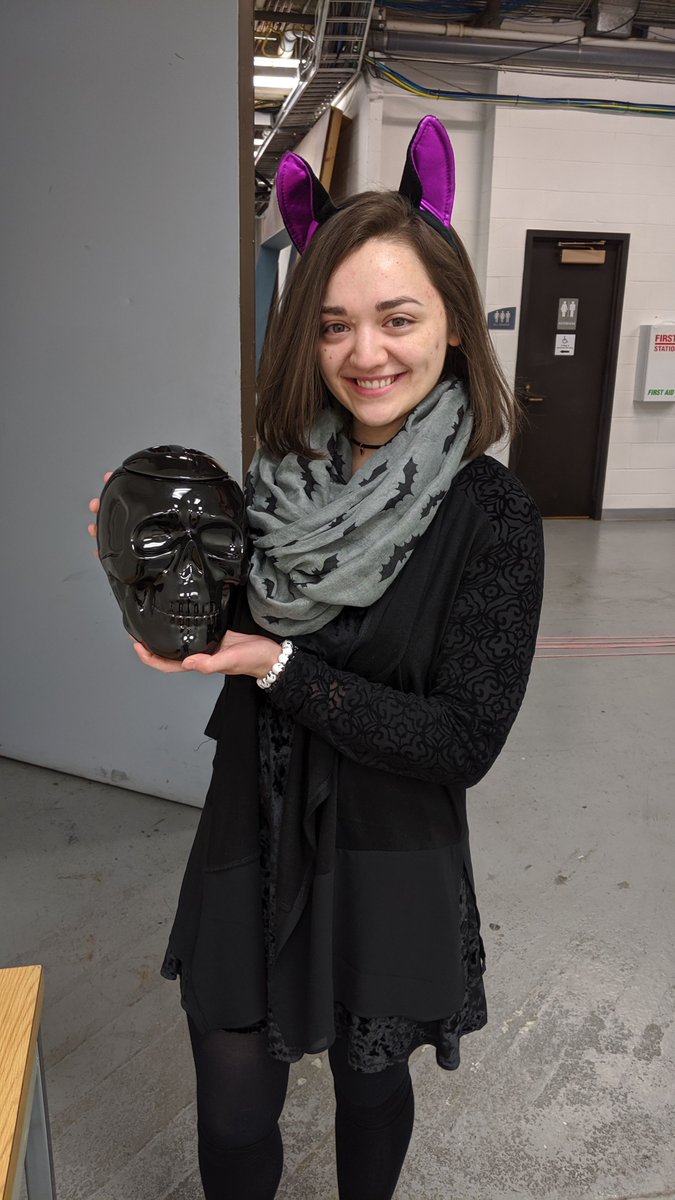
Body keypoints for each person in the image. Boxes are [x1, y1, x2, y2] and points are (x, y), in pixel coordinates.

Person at [89, 115, 544, 1200]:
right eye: (335, 325)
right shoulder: (277, 485)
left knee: (369, 1081)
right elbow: (209, 628)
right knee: (232, 1083)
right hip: (253, 819)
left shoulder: (492, 514)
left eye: (397, 318)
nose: (365, 353)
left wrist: (278, 669)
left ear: (450, 323)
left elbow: (462, 740)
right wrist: (145, 557)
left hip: (390, 844)